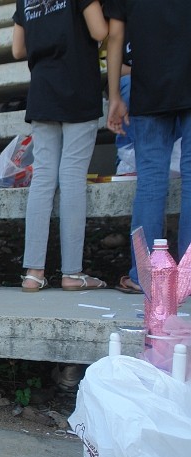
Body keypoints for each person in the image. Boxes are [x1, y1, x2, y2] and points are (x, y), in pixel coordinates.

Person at [13, 0, 109, 292]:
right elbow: (99, 31)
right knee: (72, 176)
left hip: (42, 90)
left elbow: (17, 49)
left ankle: (33, 273)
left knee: (43, 177)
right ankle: (72, 274)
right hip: (78, 86)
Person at [106, 0, 191, 295]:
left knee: (150, 184)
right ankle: (189, 277)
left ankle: (145, 277)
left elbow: (115, 36)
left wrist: (115, 96)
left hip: (148, 90)